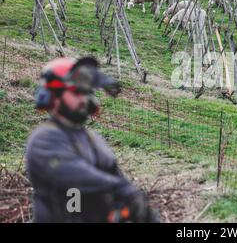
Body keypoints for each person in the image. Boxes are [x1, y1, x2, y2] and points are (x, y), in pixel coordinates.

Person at [25, 56, 159, 223]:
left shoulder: (93, 139)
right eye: (76, 92)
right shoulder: (44, 139)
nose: (83, 99)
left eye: (86, 92)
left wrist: (138, 204)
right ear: (54, 94)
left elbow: (117, 179)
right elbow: (77, 175)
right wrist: (122, 190)